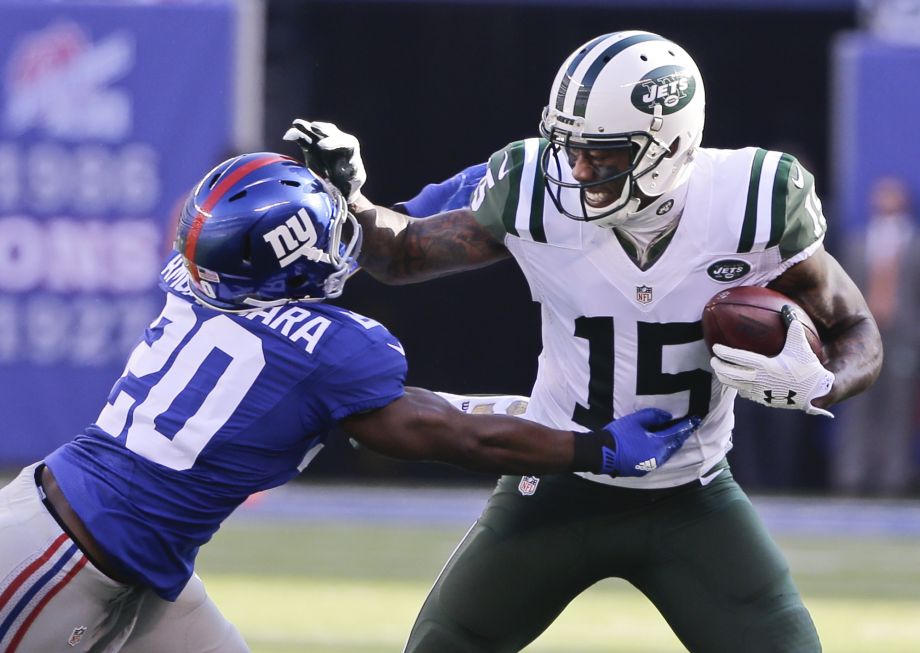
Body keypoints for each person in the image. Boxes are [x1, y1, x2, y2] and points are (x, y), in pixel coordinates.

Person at [284, 29, 883, 652]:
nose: (578, 169)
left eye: (603, 152)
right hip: (554, 486)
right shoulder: (534, 188)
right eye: (571, 147)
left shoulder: (754, 201)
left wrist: (822, 382)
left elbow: (855, 329)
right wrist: (351, 200)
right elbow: (401, 255)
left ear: (669, 143)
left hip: (693, 495)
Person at [0, 153, 700, 652]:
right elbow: (455, 437)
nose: (344, 240)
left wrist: (529, 410)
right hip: (61, 560)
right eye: (328, 229)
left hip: (105, 549)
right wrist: (593, 446)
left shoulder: (200, 283)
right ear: (294, 258)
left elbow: (412, 410)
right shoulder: (329, 349)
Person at [833, 176, 920, 496]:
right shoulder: (858, 241)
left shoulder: (914, 243)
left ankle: (892, 477)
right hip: (862, 336)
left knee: (898, 407)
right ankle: (852, 475)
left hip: (903, 336)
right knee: (858, 405)